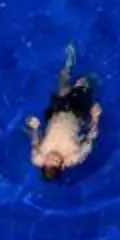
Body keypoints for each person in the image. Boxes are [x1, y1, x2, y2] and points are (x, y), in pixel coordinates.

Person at [26, 44, 101, 181]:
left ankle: (69, 62)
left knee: (63, 85)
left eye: (49, 161)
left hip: (56, 114)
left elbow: (34, 140)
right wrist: (95, 117)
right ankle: (96, 74)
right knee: (83, 83)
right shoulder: (74, 156)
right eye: (56, 162)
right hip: (77, 115)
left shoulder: (38, 157)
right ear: (62, 166)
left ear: (43, 163)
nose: (54, 158)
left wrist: (34, 128)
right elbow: (91, 137)